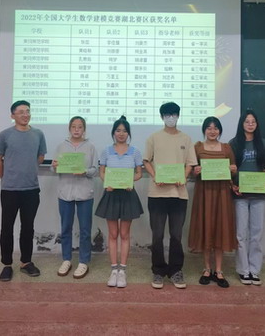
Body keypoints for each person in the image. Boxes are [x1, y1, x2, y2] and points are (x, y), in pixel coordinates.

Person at [143, 102, 197, 289]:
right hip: (157, 194)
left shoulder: (186, 138)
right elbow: (146, 161)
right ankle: (158, 271)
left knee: (176, 235)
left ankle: (175, 271)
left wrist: (183, 177)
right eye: (167, 115)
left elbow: (190, 164)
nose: (171, 118)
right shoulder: (154, 138)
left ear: (178, 116)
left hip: (178, 194)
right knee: (157, 235)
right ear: (162, 117)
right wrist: (155, 176)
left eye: (173, 114)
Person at [0, 100, 47, 282]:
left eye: (28, 111)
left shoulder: (38, 134)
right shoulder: (5, 135)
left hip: (31, 188)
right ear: (13, 115)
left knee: (28, 228)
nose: (26, 115)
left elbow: (41, 156)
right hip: (9, 189)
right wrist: (5, 178)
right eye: (21, 112)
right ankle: (7, 265)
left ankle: (26, 262)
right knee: (6, 228)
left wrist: (28, 168)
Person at [188, 116, 237, 288]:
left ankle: (219, 270)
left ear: (220, 131)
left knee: (220, 228)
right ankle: (207, 269)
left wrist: (233, 169)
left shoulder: (226, 147)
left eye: (215, 128)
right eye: (209, 128)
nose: (212, 131)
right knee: (206, 227)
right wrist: (195, 171)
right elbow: (191, 169)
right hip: (204, 193)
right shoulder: (197, 147)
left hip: (222, 193)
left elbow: (233, 168)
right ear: (204, 130)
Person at [95, 115, 144, 288]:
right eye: (118, 131)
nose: (121, 134)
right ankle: (113, 270)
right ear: (113, 133)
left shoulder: (135, 151)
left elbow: (139, 173)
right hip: (111, 194)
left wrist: (131, 181)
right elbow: (102, 172)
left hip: (128, 195)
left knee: (124, 234)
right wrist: (106, 182)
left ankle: (122, 270)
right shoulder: (107, 151)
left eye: (124, 131)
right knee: (113, 234)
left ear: (128, 133)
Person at [229, 110, 265, 286]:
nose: (250, 124)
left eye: (253, 121)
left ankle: (254, 270)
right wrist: (232, 185)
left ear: (257, 124)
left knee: (256, 233)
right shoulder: (234, 143)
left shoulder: (263, 143)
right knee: (241, 234)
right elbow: (228, 168)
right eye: (247, 121)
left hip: (258, 194)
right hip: (240, 194)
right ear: (242, 124)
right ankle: (243, 270)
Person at [51, 116, 98, 280]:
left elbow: (95, 170)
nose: (76, 130)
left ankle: (84, 261)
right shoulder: (61, 146)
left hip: (85, 193)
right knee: (65, 228)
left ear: (84, 129)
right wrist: (54, 166)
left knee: (85, 230)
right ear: (69, 128)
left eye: (80, 127)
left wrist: (85, 171)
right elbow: (53, 168)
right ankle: (66, 259)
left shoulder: (90, 147)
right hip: (65, 192)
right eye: (73, 127)